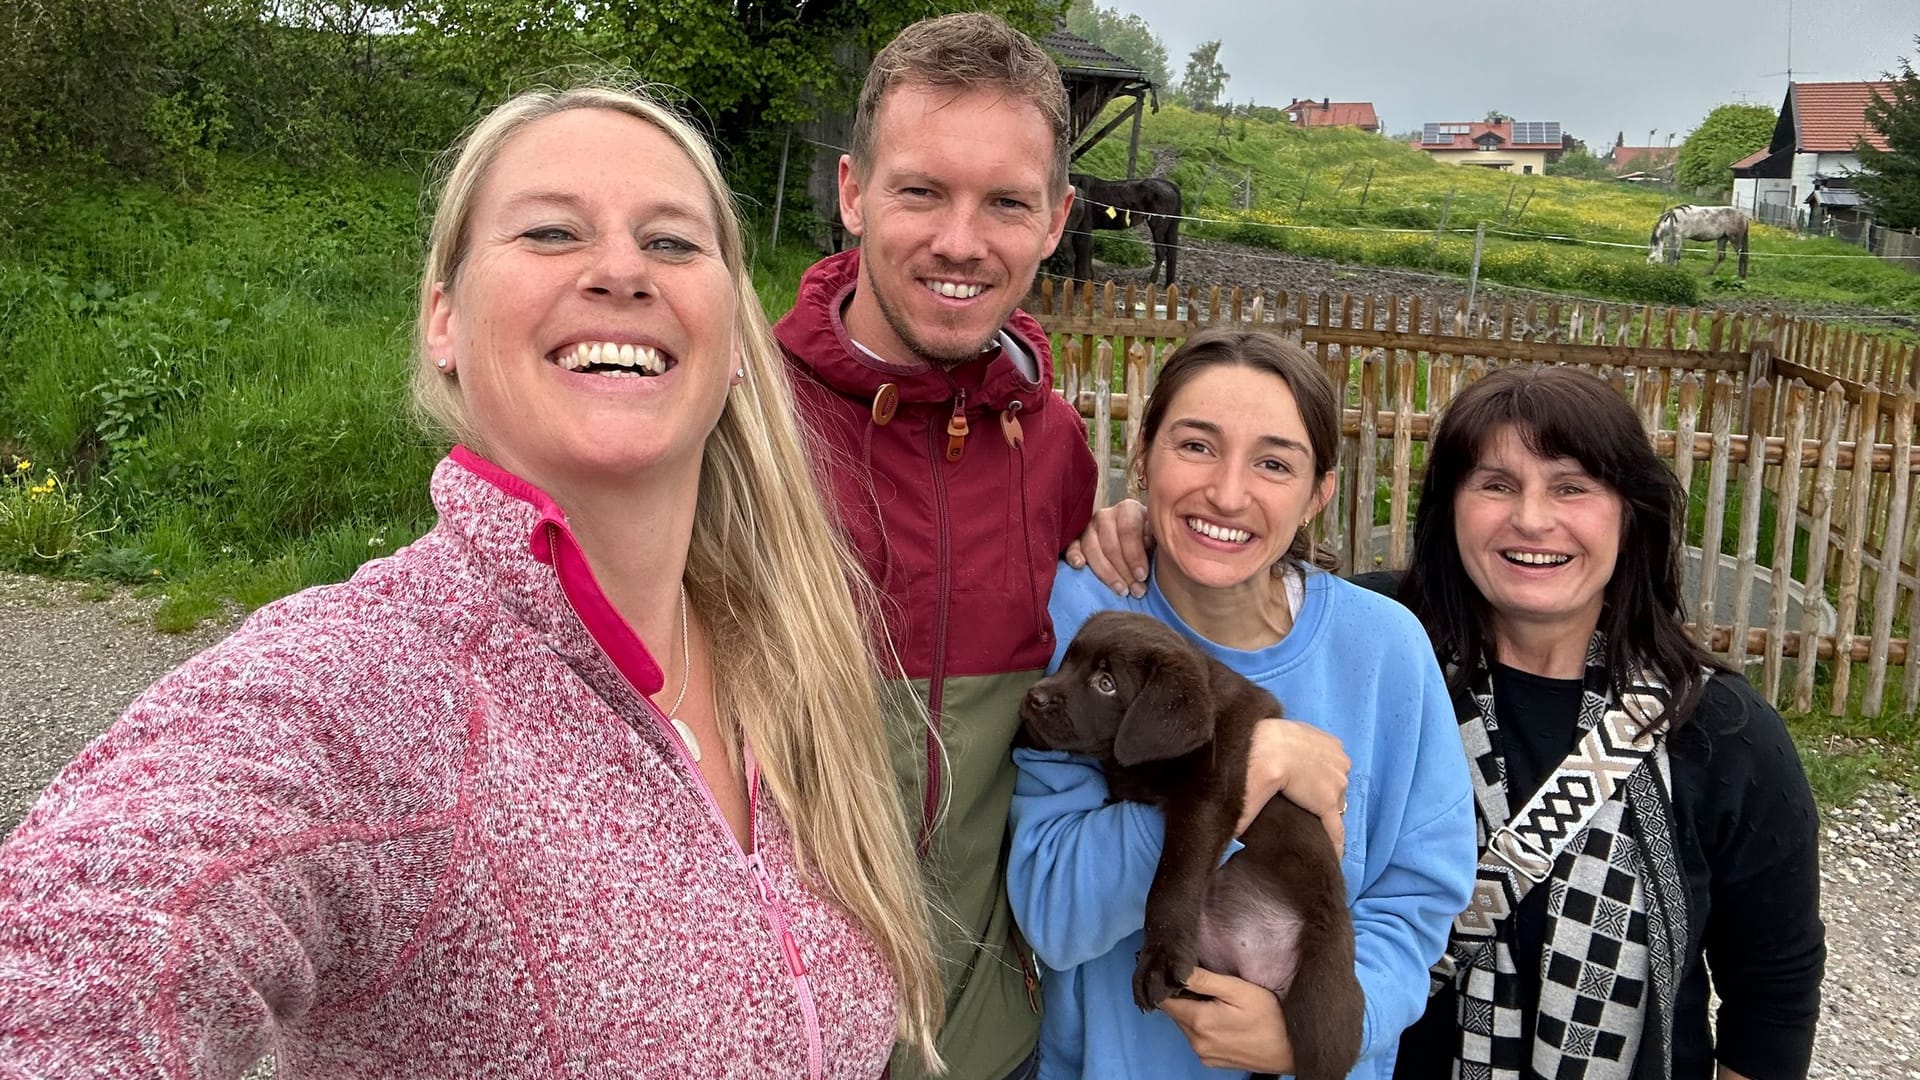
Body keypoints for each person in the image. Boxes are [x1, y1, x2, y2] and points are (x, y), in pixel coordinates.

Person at [0, 86, 944, 1078]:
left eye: (671, 242)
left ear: (738, 340)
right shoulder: (358, 687)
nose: (620, 268)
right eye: (549, 231)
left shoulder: (789, 660)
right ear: (442, 320)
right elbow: (88, 957)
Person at [1006, 328, 1477, 1079]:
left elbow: (1420, 899)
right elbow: (1052, 908)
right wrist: (1250, 769)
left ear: (1319, 491)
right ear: (1143, 455)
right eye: (1195, 445)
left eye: (1273, 463)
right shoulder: (1074, 619)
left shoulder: (1385, 649)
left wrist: (1319, 1031)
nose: (1228, 492)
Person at [771, 14, 1099, 1080]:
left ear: (1054, 221)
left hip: (982, 1047)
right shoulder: (738, 429)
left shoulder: (1055, 447)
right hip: (771, 1042)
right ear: (854, 192)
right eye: (922, 192)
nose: (962, 241)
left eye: (1005, 202)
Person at [1388, 366, 1824, 1080]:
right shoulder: (1377, 657)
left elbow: (1771, 992)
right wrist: (1138, 532)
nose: (1531, 519)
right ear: (1450, 509)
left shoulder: (1720, 732)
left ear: (1629, 512)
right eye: (1496, 485)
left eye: (1571, 486)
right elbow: (1235, 601)